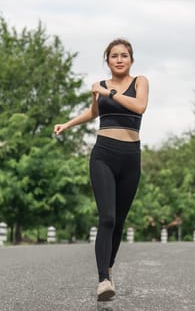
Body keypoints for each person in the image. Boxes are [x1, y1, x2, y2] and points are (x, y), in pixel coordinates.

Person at [54, 38, 149, 301]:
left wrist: (108, 93)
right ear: (107, 61)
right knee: (106, 217)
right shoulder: (100, 87)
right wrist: (67, 124)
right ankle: (102, 280)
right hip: (103, 155)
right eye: (114, 56)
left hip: (131, 157)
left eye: (124, 56)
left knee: (118, 221)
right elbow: (93, 112)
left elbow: (140, 106)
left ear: (131, 59)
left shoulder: (140, 81)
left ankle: (108, 267)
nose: (119, 59)